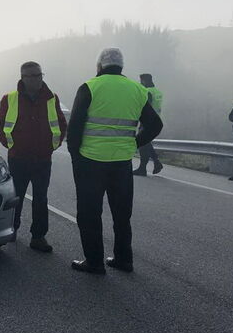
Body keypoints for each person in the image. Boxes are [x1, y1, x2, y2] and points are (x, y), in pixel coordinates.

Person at [66, 48, 162, 275]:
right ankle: (123, 259)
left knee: (89, 214)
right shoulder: (137, 90)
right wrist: (134, 143)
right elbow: (155, 125)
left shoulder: (89, 87)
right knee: (121, 214)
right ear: (121, 66)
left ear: (99, 65)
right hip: (121, 163)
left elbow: (75, 128)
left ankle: (94, 262)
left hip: (91, 161)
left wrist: (75, 157)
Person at [0, 61, 67, 252]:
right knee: (16, 196)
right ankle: (12, 229)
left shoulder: (52, 98)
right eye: (31, 76)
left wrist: (52, 146)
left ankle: (38, 237)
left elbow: (61, 124)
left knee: (41, 198)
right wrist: (10, 144)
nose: (36, 79)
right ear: (23, 78)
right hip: (19, 158)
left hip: (42, 159)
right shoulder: (10, 99)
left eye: (39, 75)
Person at [133, 73, 163, 176]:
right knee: (146, 142)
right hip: (155, 120)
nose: (140, 83)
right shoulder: (157, 92)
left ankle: (143, 168)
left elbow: (145, 107)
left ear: (144, 81)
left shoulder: (147, 92)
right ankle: (156, 162)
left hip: (147, 120)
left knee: (143, 144)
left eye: (141, 81)